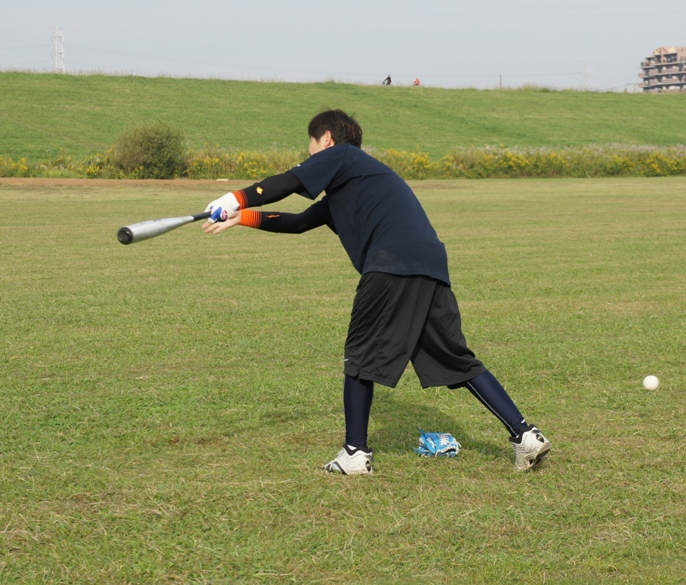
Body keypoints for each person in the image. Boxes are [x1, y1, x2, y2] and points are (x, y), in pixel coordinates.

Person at [202, 109, 550, 475]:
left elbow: (287, 182)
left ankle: (354, 454)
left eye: (310, 144)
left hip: (391, 263)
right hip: (429, 264)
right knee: (456, 359)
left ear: (327, 140)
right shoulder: (353, 183)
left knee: (360, 355)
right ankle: (525, 435)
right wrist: (244, 217)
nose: (308, 153)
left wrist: (235, 198)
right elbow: (301, 222)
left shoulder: (344, 155)